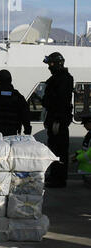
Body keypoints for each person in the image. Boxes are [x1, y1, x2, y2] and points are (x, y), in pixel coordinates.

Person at [42, 52, 74, 188]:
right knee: (55, 149)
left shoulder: (62, 79)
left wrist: (57, 120)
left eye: (51, 64)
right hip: (57, 119)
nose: (49, 66)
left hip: (58, 120)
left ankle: (58, 178)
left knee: (58, 150)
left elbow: (60, 101)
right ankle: (55, 175)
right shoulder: (61, 78)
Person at [72, 114, 91, 187]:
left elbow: (89, 153)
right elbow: (85, 150)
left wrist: (77, 158)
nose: (84, 126)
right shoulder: (89, 134)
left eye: (85, 124)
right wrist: (77, 154)